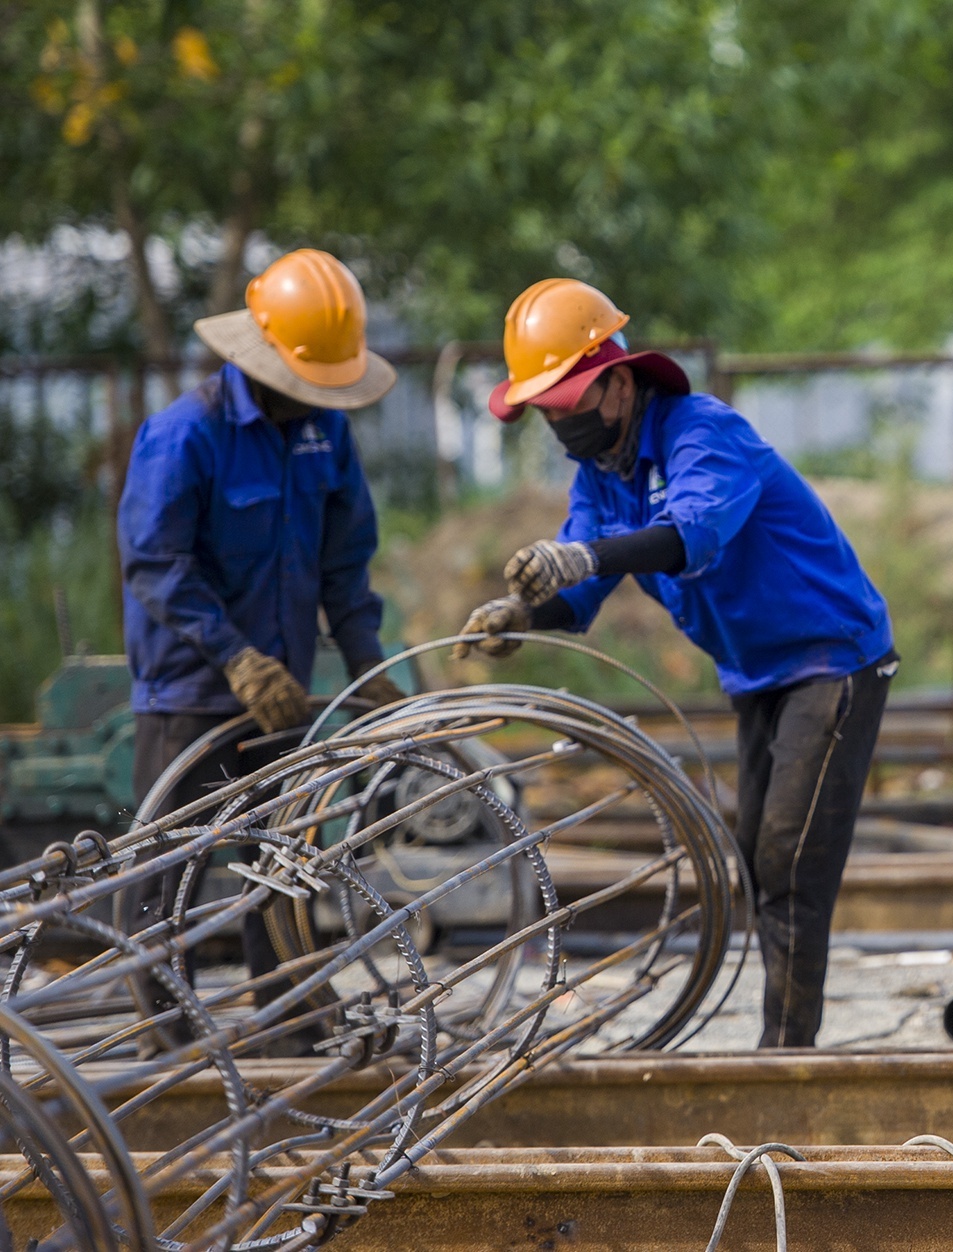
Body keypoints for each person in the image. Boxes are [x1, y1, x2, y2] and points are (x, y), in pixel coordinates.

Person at [453, 278, 896, 1048]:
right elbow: (581, 598)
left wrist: (581, 555)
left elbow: (696, 536)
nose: (560, 424)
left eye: (568, 404)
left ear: (618, 386)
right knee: (761, 866)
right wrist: (523, 618)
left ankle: (787, 1058)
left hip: (833, 662)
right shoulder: (602, 477)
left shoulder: (702, 433)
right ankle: (784, 1044)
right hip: (758, 673)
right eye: (547, 412)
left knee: (790, 866)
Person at [119, 248, 406, 1022]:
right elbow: (155, 561)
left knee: (281, 858)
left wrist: (367, 664)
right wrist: (235, 657)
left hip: (284, 696)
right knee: (165, 866)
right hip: (190, 689)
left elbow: (345, 563)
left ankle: (288, 1015)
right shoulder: (186, 436)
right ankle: (164, 1028)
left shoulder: (325, 437)